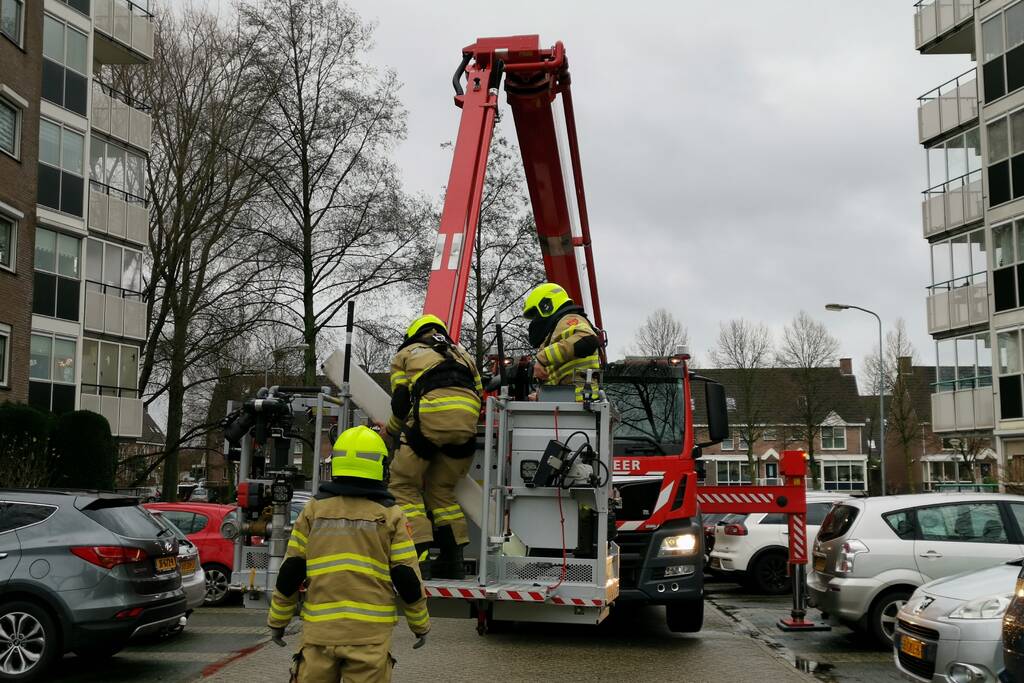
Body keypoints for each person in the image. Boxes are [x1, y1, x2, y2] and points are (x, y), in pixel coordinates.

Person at [267, 426, 430, 683]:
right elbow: (406, 576)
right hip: (369, 639)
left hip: (319, 636)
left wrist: (278, 622)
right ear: (380, 465)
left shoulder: (313, 511)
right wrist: (420, 625)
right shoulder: (391, 515)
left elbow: (291, 571)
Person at [384, 314, 482, 580]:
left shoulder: (405, 354)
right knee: (441, 490)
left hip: (430, 422)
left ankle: (420, 554)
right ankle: (453, 559)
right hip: (466, 429)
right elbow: (479, 395)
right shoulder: (463, 354)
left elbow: (401, 403)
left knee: (404, 484)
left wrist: (391, 430)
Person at [522, 282, 601, 388]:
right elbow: (560, 375)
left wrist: (542, 358)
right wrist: (541, 396)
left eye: (536, 314)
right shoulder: (555, 330)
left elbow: (588, 340)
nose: (535, 320)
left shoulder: (569, 320)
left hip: (576, 400)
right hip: (567, 400)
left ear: (547, 306)